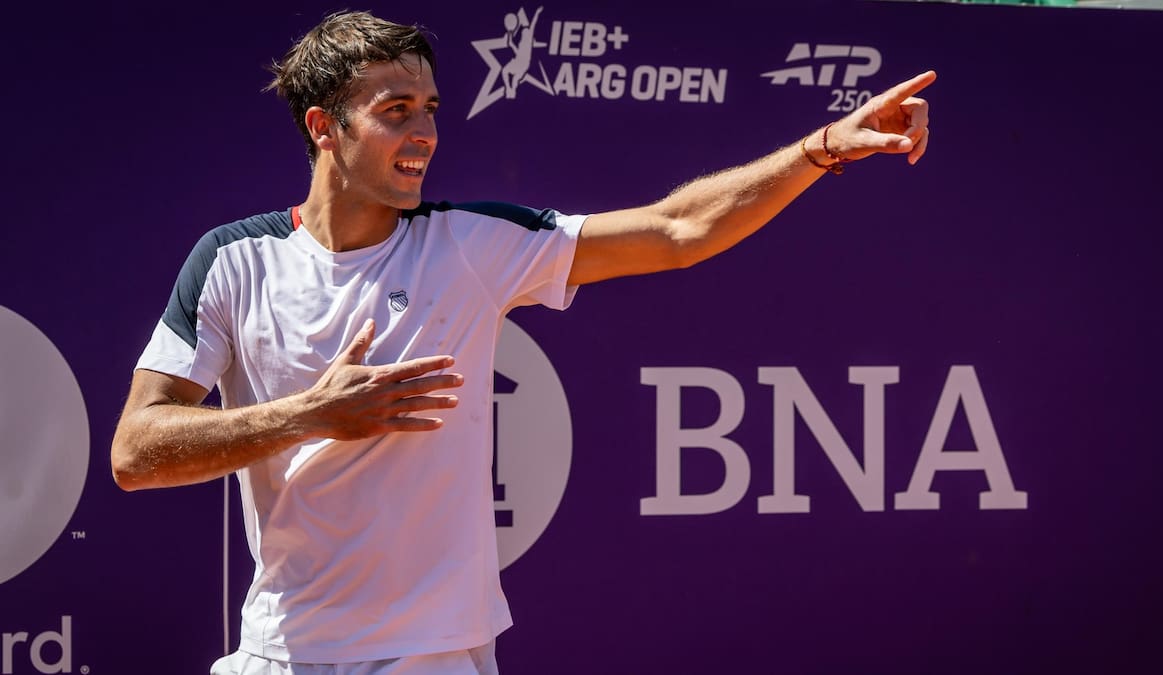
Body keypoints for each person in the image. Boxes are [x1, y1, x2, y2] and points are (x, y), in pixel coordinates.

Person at [109, 9, 933, 675]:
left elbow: (676, 230)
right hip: (277, 652)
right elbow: (136, 452)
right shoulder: (232, 260)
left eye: (430, 109)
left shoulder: (471, 244)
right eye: (395, 112)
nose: (425, 131)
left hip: (431, 652)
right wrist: (307, 416)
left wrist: (819, 149)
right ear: (325, 128)